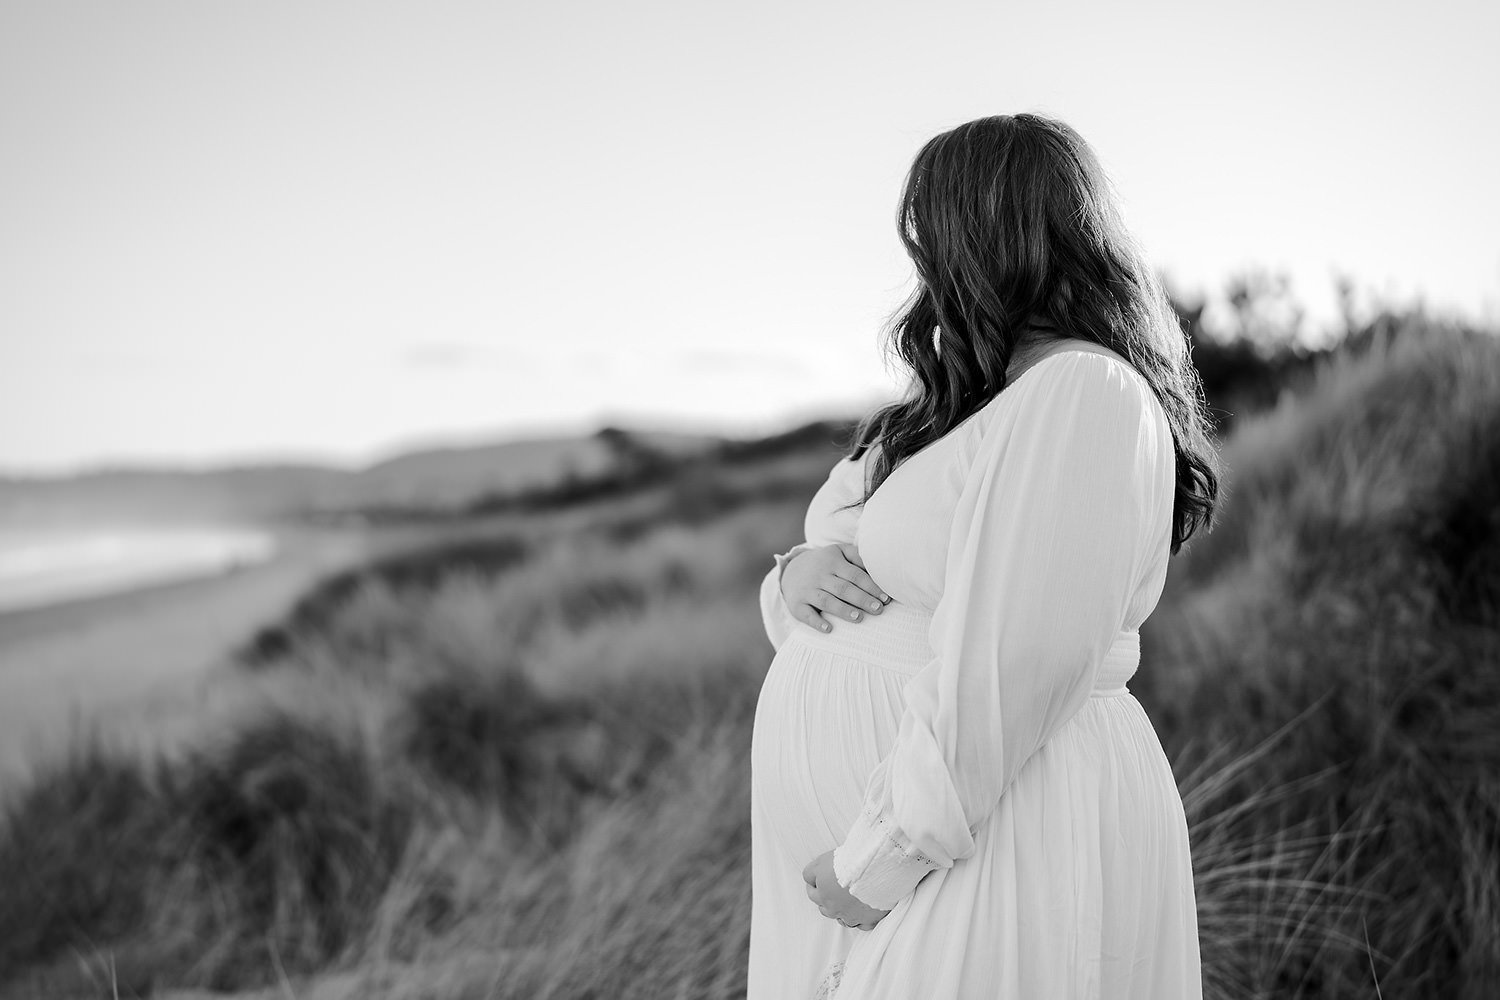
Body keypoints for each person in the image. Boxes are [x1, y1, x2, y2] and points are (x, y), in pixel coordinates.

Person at [747, 113, 1222, 999]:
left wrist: (876, 863)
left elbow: (1011, 667)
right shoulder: (957, 404)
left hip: (991, 830)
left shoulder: (1084, 393)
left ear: (988, 234)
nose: (923, 262)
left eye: (931, 231)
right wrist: (790, 579)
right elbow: (843, 585)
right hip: (912, 840)